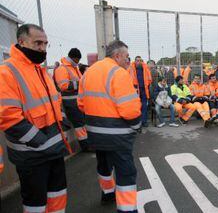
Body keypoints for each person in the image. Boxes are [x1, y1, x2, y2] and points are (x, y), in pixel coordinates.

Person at [0, 24, 69, 213]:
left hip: (53, 151)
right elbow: (7, 117)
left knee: (58, 196)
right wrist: (41, 141)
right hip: (32, 155)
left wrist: (62, 121)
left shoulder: (39, 70)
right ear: (21, 42)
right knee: (35, 204)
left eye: (45, 44)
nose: (42, 48)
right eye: (38, 43)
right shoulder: (7, 72)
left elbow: (55, 101)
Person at [77, 40, 141, 212]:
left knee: (103, 165)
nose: (128, 61)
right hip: (118, 135)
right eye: (127, 57)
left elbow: (81, 103)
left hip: (95, 133)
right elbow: (130, 110)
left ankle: (107, 194)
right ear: (117, 55)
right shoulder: (119, 73)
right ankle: (127, 209)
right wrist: (137, 126)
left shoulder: (88, 73)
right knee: (125, 173)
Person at [54, 48, 89, 151]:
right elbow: (63, 86)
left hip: (76, 101)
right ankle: (85, 146)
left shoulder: (74, 68)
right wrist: (80, 84)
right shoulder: (62, 69)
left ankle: (86, 144)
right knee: (79, 124)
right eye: (77, 60)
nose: (78, 62)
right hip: (69, 102)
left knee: (81, 123)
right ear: (73, 58)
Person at [129, 56, 152, 127]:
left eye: (140, 60)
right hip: (135, 90)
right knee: (137, 107)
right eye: (137, 60)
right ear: (135, 61)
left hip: (144, 90)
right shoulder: (131, 68)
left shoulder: (145, 68)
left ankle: (143, 122)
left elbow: (149, 79)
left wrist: (147, 87)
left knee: (144, 106)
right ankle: (137, 122)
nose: (139, 62)